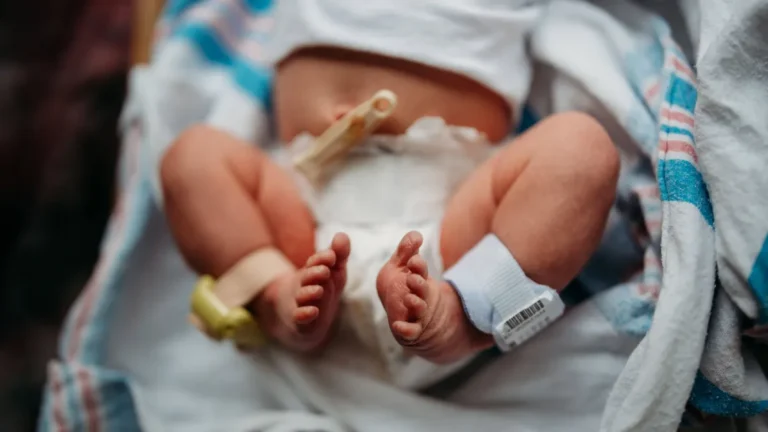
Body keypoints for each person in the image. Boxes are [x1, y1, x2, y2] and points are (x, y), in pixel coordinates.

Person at [160, 0, 619, 374]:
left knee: (581, 149)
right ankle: (272, 295)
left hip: (458, 216)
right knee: (192, 157)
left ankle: (464, 314)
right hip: (300, 214)